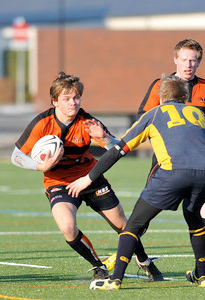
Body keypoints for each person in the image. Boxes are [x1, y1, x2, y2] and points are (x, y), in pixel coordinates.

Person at [67, 76, 205, 290]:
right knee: (194, 218)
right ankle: (201, 275)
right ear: (185, 97)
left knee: (133, 225)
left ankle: (115, 280)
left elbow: (119, 150)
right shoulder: (199, 114)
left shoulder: (155, 114)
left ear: (161, 98)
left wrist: (88, 178)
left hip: (173, 173)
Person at [11, 71, 162, 281]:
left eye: (76, 97)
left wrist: (105, 137)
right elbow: (16, 155)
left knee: (123, 226)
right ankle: (98, 266)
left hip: (91, 178)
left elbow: (120, 149)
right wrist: (40, 165)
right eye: (66, 99)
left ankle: (143, 260)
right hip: (59, 182)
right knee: (67, 227)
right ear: (54, 101)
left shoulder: (89, 122)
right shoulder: (42, 123)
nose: (73, 103)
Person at [137, 39, 205, 276]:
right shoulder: (161, 86)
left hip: (200, 160)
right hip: (166, 160)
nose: (189, 64)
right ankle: (132, 254)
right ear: (175, 59)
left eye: (194, 60)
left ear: (199, 62)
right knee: (145, 213)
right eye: (185, 59)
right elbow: (142, 116)